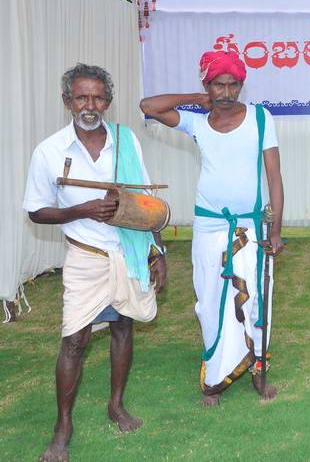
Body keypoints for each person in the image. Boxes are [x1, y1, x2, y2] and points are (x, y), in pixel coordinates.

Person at [24, 63, 167, 462]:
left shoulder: (126, 141)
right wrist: (83, 209)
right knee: (74, 340)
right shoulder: (49, 151)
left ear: (108, 100)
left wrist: (157, 251)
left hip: (128, 251)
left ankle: (116, 405)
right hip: (85, 256)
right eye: (81, 97)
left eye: (98, 97)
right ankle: (62, 426)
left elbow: (145, 200)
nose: (90, 105)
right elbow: (36, 211)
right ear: (66, 100)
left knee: (123, 327)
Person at [140, 50, 284, 406]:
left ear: (242, 86)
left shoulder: (261, 118)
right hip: (208, 225)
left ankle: (258, 369)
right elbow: (148, 106)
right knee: (208, 301)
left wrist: (276, 231)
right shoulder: (197, 123)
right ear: (207, 85)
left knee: (255, 299)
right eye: (218, 85)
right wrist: (195, 99)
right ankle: (216, 377)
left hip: (251, 224)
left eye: (233, 84)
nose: (226, 92)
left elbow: (274, 177)